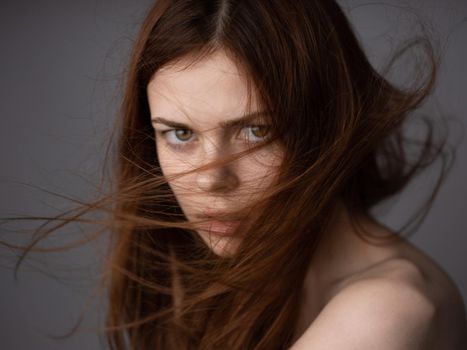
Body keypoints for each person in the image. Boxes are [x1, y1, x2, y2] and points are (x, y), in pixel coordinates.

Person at [6, 0, 466, 349]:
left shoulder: (387, 310)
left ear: (328, 123)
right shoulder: (237, 272)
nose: (210, 179)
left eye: (255, 131)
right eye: (180, 133)